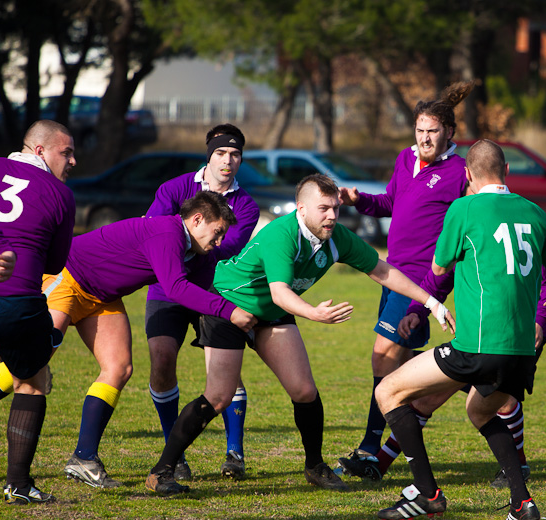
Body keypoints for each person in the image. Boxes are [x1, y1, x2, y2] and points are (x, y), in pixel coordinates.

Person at [145, 174, 455, 496]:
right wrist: (314, 313)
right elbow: (280, 292)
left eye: (335, 207)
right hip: (227, 305)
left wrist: (430, 301)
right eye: (324, 209)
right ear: (301, 208)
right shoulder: (282, 234)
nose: (332, 215)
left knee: (305, 390)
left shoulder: (337, 238)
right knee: (220, 396)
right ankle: (162, 469)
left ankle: (315, 466)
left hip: (271, 312)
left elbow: (382, 270)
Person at [0, 191, 257, 489]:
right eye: (217, 233)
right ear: (197, 219)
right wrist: (230, 312)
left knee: (119, 368)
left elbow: (202, 293)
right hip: (69, 276)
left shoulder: (198, 252)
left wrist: (241, 325)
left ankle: (84, 458)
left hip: (102, 297)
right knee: (34, 355)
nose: (219, 242)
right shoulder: (168, 231)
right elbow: (176, 289)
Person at [374, 140, 546, 520]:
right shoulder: (534, 212)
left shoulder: (463, 207)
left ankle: (427, 496)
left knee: (388, 391)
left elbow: (440, 268)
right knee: (480, 411)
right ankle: (522, 503)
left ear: (467, 175)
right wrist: (541, 316)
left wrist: (424, 304)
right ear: (508, 170)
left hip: (477, 346)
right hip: (522, 352)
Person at [338, 81, 473, 465]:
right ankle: (482, 381)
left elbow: (462, 237)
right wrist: (358, 200)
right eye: (419, 130)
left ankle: (370, 447)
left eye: (432, 131)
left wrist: (435, 292)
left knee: (382, 358)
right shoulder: (404, 159)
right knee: (407, 367)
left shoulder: (460, 173)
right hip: (391, 275)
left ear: (449, 132)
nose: (425, 137)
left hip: (419, 282)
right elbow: (390, 203)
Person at [338, 267, 546, 489]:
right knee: (429, 395)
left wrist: (539, 319)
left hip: (512, 337)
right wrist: (418, 310)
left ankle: (516, 473)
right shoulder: (466, 231)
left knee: (490, 406)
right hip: (470, 338)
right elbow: (439, 275)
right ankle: (383, 465)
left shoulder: (525, 228)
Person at [145, 124, 259, 481]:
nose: (228, 161)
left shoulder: (246, 205)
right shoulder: (174, 188)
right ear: (209, 154)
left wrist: (184, 245)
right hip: (168, 286)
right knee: (161, 361)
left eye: (235, 154)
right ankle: (173, 452)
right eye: (221, 153)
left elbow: (224, 250)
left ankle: (234, 452)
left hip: (217, 291)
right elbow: (154, 231)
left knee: (225, 372)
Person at [0, 120, 76, 505]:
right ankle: (18, 483)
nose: (72, 161)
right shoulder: (60, 194)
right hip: (15, 301)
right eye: (65, 152)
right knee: (34, 376)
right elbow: (54, 263)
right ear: (39, 150)